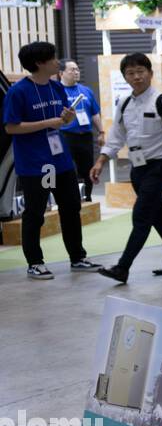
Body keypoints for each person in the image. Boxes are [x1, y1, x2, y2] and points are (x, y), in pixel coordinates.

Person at [90, 53, 162, 283]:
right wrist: (101, 160)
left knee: (142, 214)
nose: (136, 77)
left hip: (161, 164)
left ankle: (122, 267)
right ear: (125, 77)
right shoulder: (124, 103)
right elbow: (116, 137)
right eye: (131, 73)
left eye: (140, 72)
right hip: (137, 168)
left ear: (150, 73)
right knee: (160, 214)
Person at [1, 41, 98, 279]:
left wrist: (66, 118)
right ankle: (35, 262)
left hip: (61, 160)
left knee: (71, 207)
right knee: (36, 212)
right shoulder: (18, 92)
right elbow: (11, 127)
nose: (58, 62)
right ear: (39, 63)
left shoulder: (56, 88)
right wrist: (48, 123)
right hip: (38, 164)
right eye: (54, 58)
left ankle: (77, 257)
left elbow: (61, 120)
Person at [57, 60, 102, 202]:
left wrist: (101, 131)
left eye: (77, 69)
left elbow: (95, 113)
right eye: (72, 70)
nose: (76, 72)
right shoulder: (56, 91)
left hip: (85, 136)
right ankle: (71, 199)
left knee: (87, 168)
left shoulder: (86, 91)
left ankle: (87, 197)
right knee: (69, 169)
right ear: (61, 73)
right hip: (65, 136)